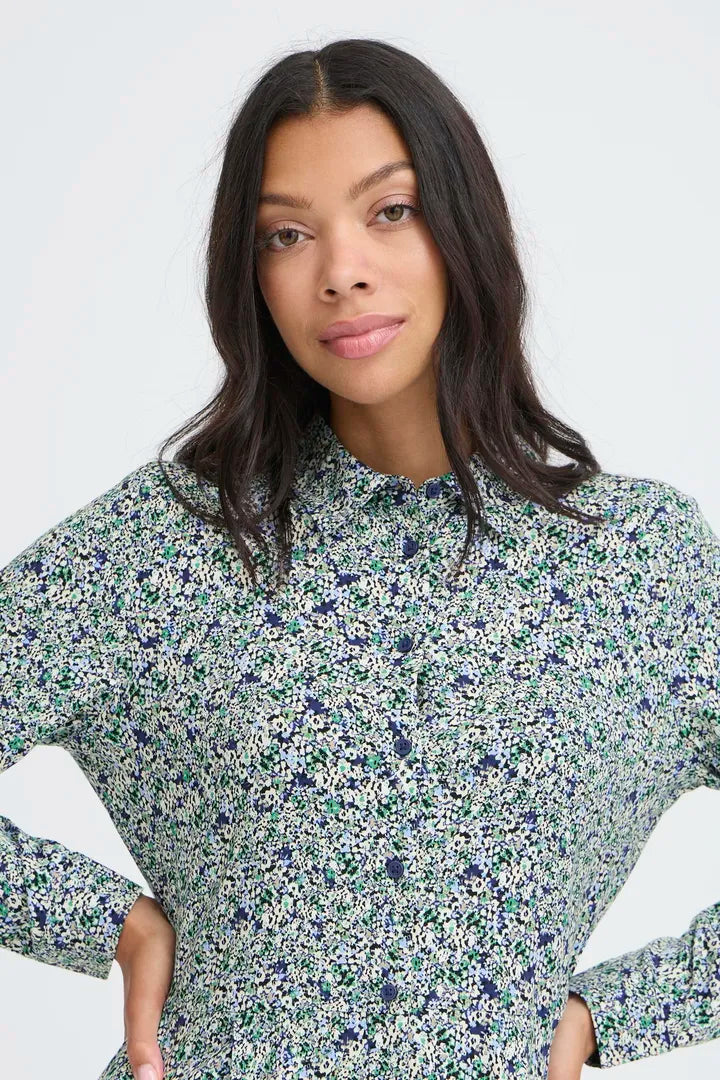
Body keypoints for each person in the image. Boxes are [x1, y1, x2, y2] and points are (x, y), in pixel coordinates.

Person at [1, 36, 718, 1080]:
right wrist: (104, 919)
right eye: (287, 234)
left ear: (463, 225)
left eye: (391, 210)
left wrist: (609, 1016)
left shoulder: (640, 569)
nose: (341, 271)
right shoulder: (168, 547)